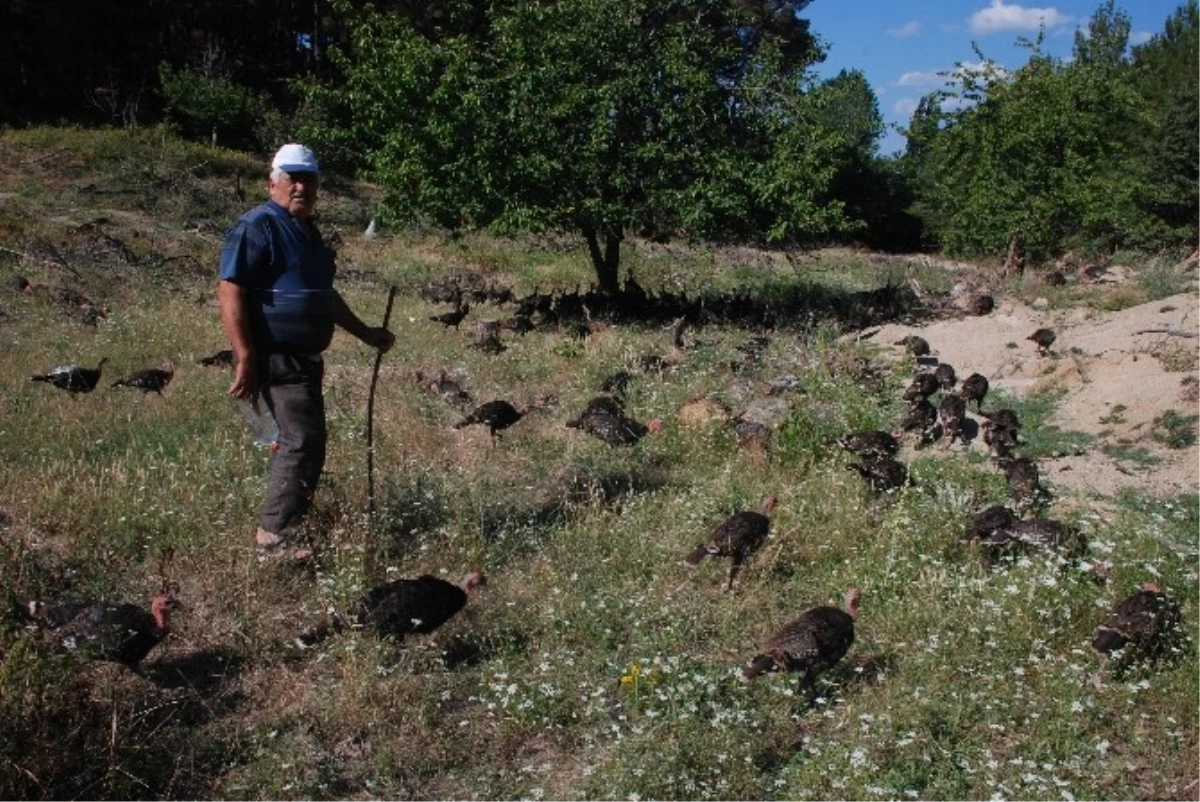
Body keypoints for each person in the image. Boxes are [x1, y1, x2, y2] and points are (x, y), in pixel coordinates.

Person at [218, 143, 394, 553]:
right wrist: (245, 356)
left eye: (308, 179)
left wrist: (365, 332)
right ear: (272, 184)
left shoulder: (309, 234)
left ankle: (288, 527)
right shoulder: (257, 227)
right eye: (291, 178)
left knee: (303, 441)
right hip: (275, 356)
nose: (300, 187)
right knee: (301, 441)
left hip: (304, 358)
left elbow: (323, 296)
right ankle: (275, 539)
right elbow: (230, 291)